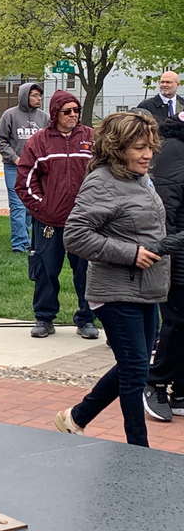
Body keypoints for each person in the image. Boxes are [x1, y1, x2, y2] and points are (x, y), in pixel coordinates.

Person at [56, 111, 184, 447]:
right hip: (115, 291)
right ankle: (138, 450)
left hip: (147, 288)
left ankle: (77, 418)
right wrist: (130, 253)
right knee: (135, 371)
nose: (148, 155)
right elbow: (75, 236)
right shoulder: (101, 182)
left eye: (150, 147)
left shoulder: (139, 177)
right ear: (117, 148)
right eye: (139, 148)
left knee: (136, 365)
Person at [15, 90, 99, 339]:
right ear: (55, 113)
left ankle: (87, 319)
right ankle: (44, 317)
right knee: (46, 271)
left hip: (85, 223)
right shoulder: (39, 142)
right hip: (49, 222)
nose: (73, 115)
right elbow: (25, 181)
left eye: (76, 110)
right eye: (67, 111)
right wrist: (43, 207)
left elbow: (104, 174)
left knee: (85, 272)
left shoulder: (91, 138)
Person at [143, 113, 184, 422]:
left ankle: (180, 390)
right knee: (176, 324)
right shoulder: (173, 149)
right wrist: (163, 250)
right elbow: (166, 209)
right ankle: (154, 381)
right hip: (176, 256)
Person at [0, 83, 50, 253]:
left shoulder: (44, 118)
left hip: (36, 170)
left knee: (31, 206)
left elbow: (48, 142)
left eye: (40, 95)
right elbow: (1, 141)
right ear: (25, 96)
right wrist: (15, 158)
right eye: (35, 95)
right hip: (14, 168)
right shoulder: (9, 115)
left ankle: (27, 240)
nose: (39, 98)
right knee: (18, 205)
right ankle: (20, 245)